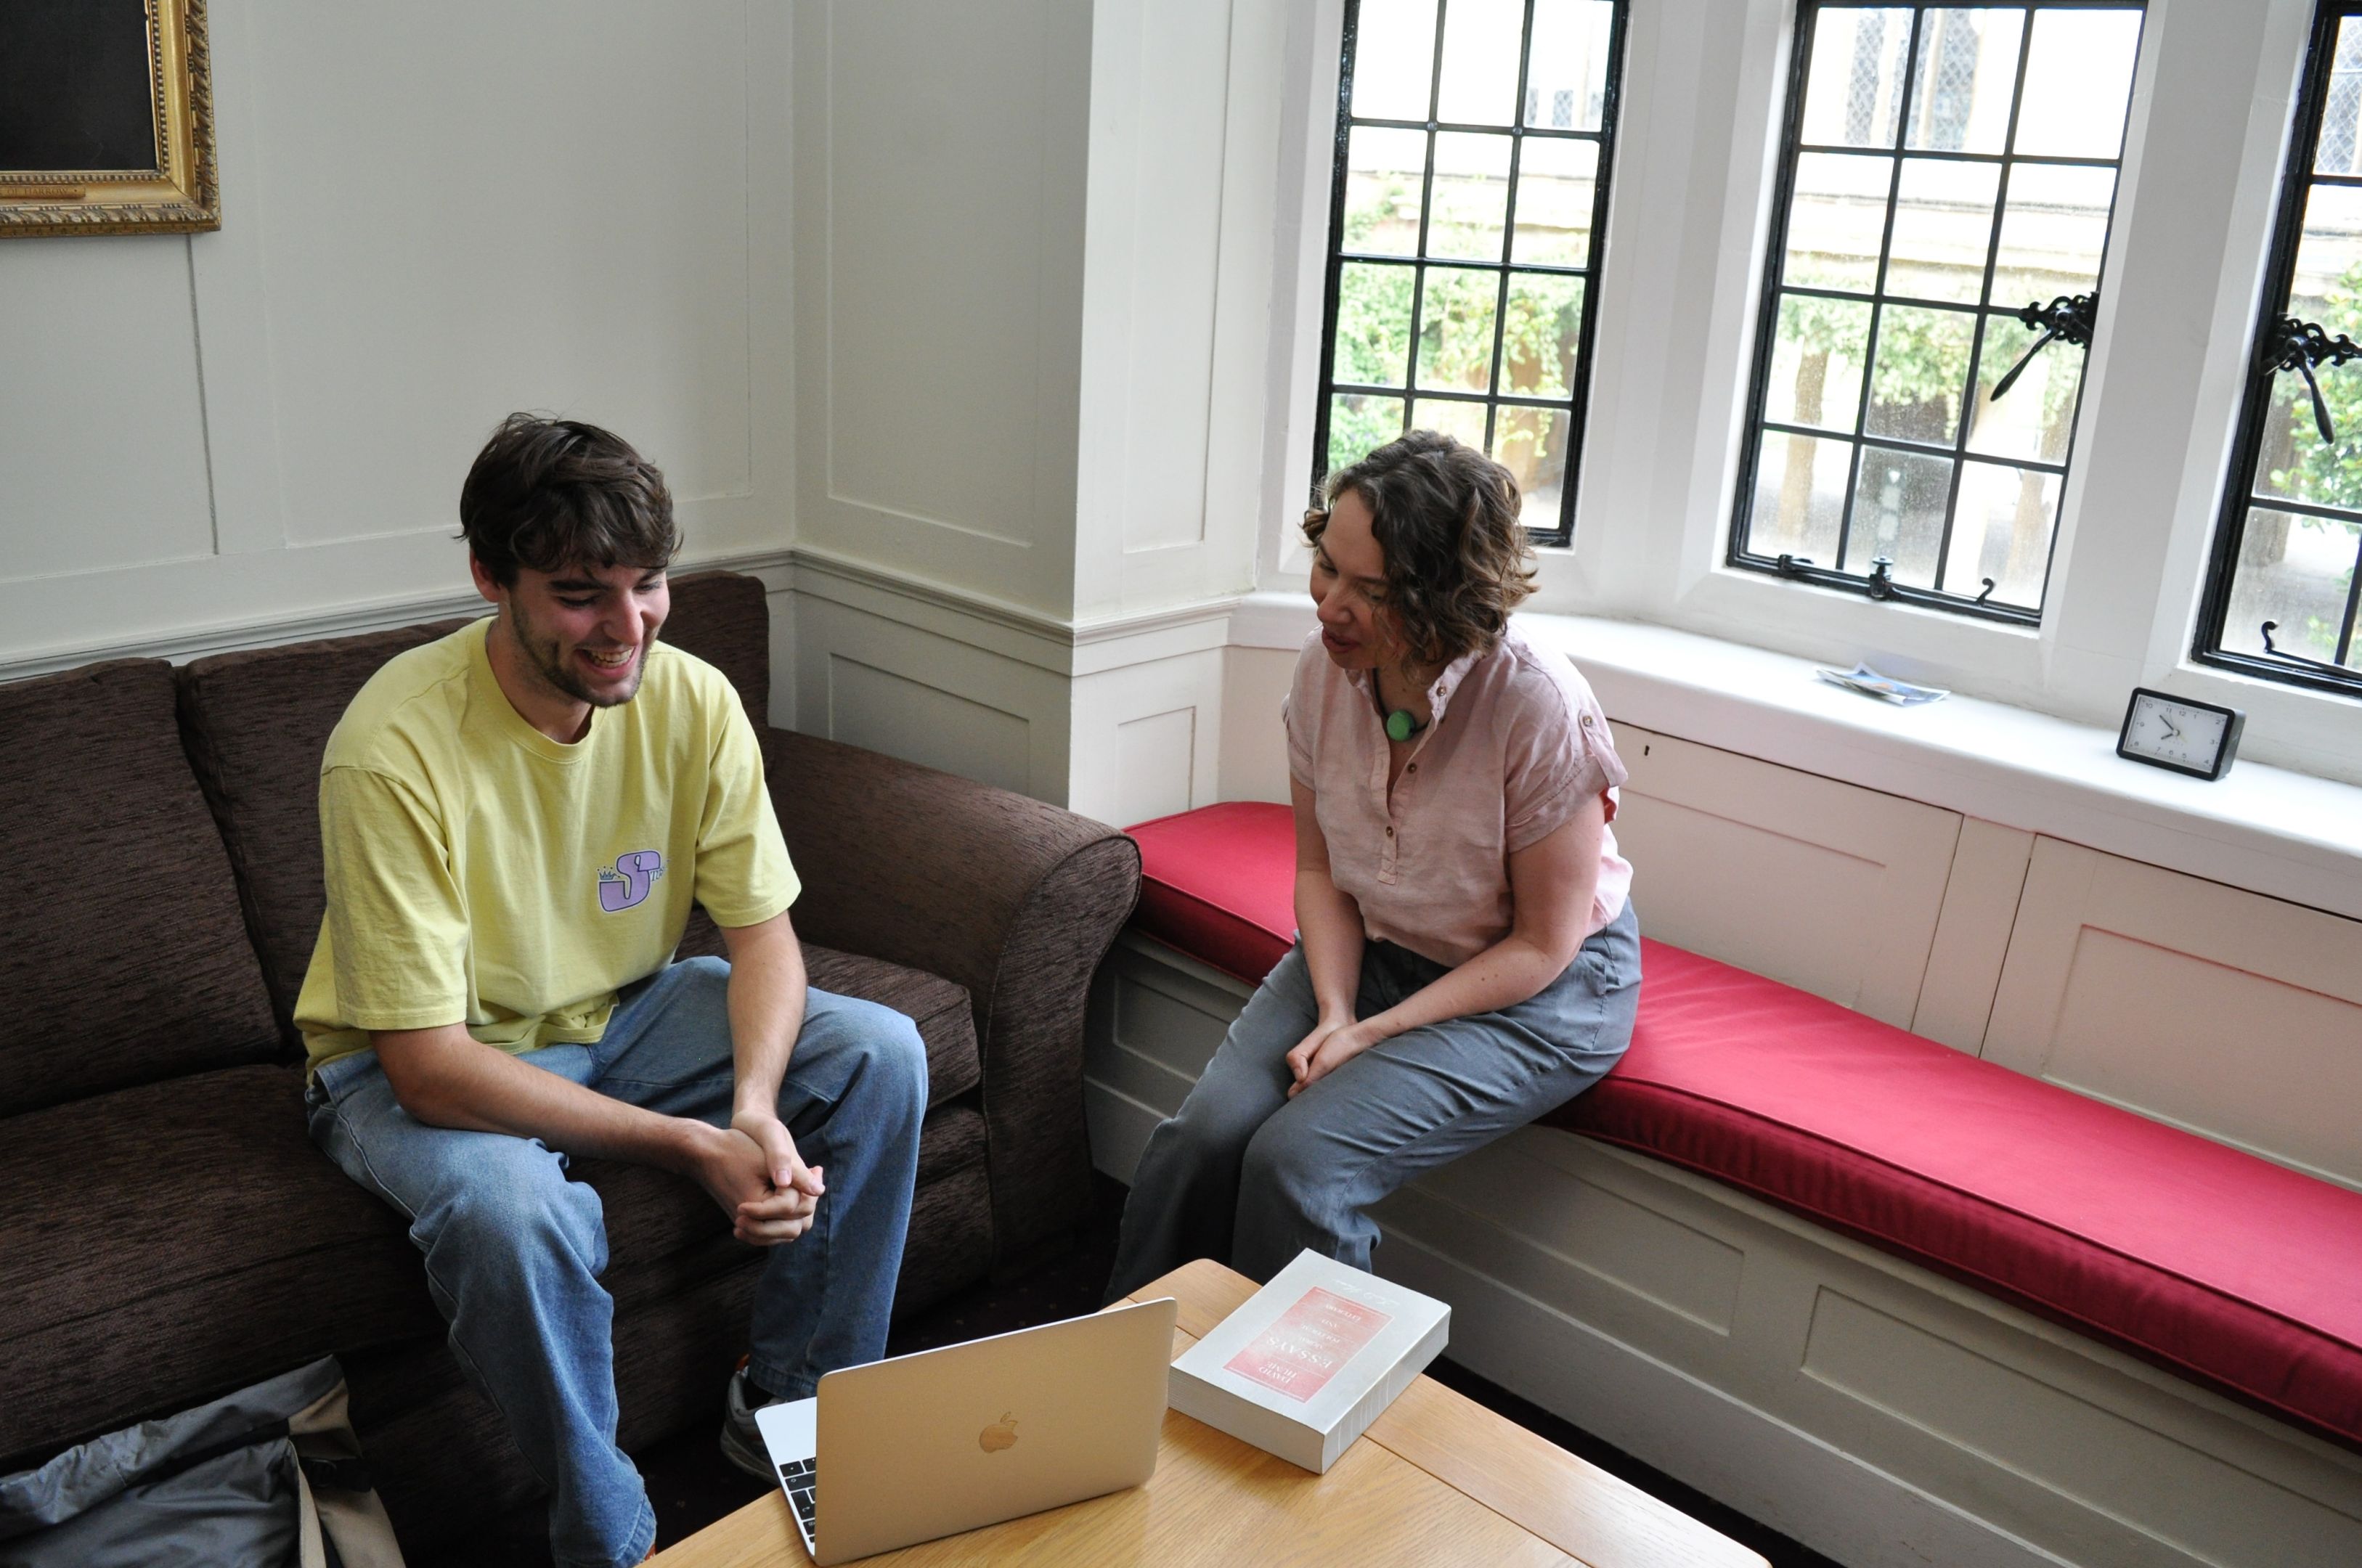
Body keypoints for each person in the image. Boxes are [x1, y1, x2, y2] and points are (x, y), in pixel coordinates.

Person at [296, 414, 927, 1568]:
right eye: (583, 593)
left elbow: (765, 940)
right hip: (416, 1058)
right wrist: (690, 1147)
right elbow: (426, 1070)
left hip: (625, 1007)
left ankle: (792, 1412)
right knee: (511, 1214)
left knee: (882, 1051)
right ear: (492, 577)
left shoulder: (693, 701)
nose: (626, 627)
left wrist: (749, 1106)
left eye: (649, 586)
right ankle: (611, 1539)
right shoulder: (390, 745)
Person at [1107, 430, 1639, 1297]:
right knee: (1201, 1141)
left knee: (1297, 1162)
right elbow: (1319, 874)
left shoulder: (1536, 703)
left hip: (1534, 987)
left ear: (1448, 595)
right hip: (1377, 942)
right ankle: (1124, 1377)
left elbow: (1544, 945)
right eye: (1326, 567)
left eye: (1373, 591)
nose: (1328, 607)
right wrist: (1333, 1007)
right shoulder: (1326, 667)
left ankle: (1298, 1417)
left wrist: (1368, 1034)